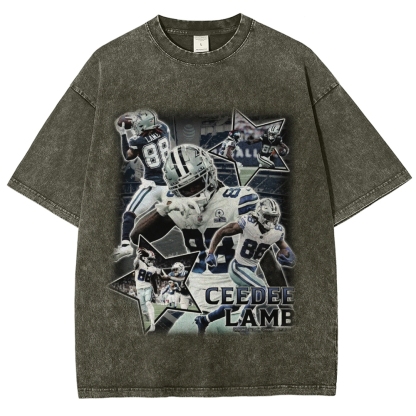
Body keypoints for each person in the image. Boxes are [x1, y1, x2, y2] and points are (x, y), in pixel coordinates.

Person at [130, 144, 260, 331]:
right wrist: (163, 209)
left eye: (197, 183)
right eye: (185, 189)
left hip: (235, 298)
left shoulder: (238, 199)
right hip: (198, 299)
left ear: (209, 174)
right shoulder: (180, 205)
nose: (193, 191)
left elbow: (263, 247)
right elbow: (137, 237)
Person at [194, 198, 296, 334]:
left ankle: (204, 320)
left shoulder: (277, 232)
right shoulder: (248, 223)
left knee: (234, 306)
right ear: (259, 214)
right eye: (268, 217)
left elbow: (285, 249)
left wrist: (288, 256)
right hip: (238, 268)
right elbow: (222, 231)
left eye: (274, 218)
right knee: (262, 289)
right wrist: (211, 253)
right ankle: (242, 323)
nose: (271, 221)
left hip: (250, 271)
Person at [113, 110, 171, 261]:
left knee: (129, 214)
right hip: (170, 184)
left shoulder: (138, 141)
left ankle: (126, 245)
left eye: (138, 124)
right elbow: (151, 131)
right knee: (183, 215)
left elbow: (128, 155)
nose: (135, 126)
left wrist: (123, 133)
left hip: (152, 185)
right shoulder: (164, 128)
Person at [133, 247, 164, 332]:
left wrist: (156, 293)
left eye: (152, 260)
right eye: (149, 259)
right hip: (139, 289)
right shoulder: (139, 263)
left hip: (148, 287)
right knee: (143, 308)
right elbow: (135, 264)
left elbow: (153, 281)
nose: (151, 261)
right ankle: (146, 314)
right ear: (144, 258)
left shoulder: (153, 268)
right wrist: (137, 257)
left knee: (148, 303)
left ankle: (152, 324)